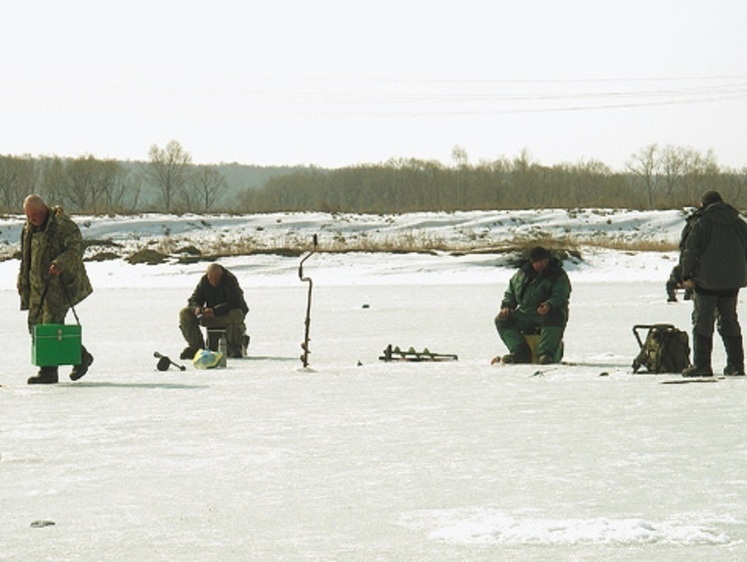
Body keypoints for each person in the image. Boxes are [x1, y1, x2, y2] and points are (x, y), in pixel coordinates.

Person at [17, 194, 94, 384]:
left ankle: (48, 371)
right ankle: (82, 356)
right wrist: (23, 281)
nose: (32, 219)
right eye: (28, 215)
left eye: (35, 215)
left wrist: (60, 263)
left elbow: (77, 248)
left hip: (58, 285)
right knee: (35, 326)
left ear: (44, 209)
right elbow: (26, 257)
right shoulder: (28, 228)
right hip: (36, 286)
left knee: (51, 325)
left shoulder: (62, 225)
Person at [681, 190, 747, 376]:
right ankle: (736, 365)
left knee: (703, 320)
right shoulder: (738, 222)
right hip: (734, 281)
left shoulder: (702, 222)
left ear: (704, 204)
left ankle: (702, 366)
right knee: (729, 320)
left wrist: (686, 275)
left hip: (706, 281)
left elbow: (690, 250)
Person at [493, 246, 571, 365]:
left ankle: (545, 354)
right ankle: (520, 353)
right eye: (537, 262)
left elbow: (561, 295)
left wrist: (549, 305)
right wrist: (507, 306)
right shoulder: (521, 274)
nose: (540, 264)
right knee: (502, 320)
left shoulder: (557, 274)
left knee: (555, 316)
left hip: (547, 313)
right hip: (525, 314)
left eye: (543, 261)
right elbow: (511, 292)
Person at [179, 263, 249, 360]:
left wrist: (215, 311)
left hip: (227, 315)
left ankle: (234, 346)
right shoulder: (204, 281)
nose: (214, 282)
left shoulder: (230, 280)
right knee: (185, 313)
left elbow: (235, 302)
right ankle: (196, 347)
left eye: (216, 279)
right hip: (210, 315)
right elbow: (194, 299)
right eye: (211, 279)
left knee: (236, 313)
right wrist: (197, 308)